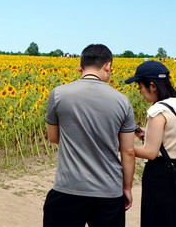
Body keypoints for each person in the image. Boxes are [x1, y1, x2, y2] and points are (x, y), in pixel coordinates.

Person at [43, 44, 136, 227]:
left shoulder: (59, 94)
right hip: (108, 192)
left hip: (68, 188)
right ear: (107, 66)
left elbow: (53, 137)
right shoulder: (122, 101)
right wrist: (127, 188)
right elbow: (128, 151)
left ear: (80, 66)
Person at [127, 60, 176, 227]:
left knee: (157, 220)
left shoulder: (158, 112)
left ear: (152, 86)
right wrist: (147, 134)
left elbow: (150, 152)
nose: (141, 93)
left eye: (140, 87)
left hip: (161, 176)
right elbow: (175, 138)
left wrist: (125, 148)